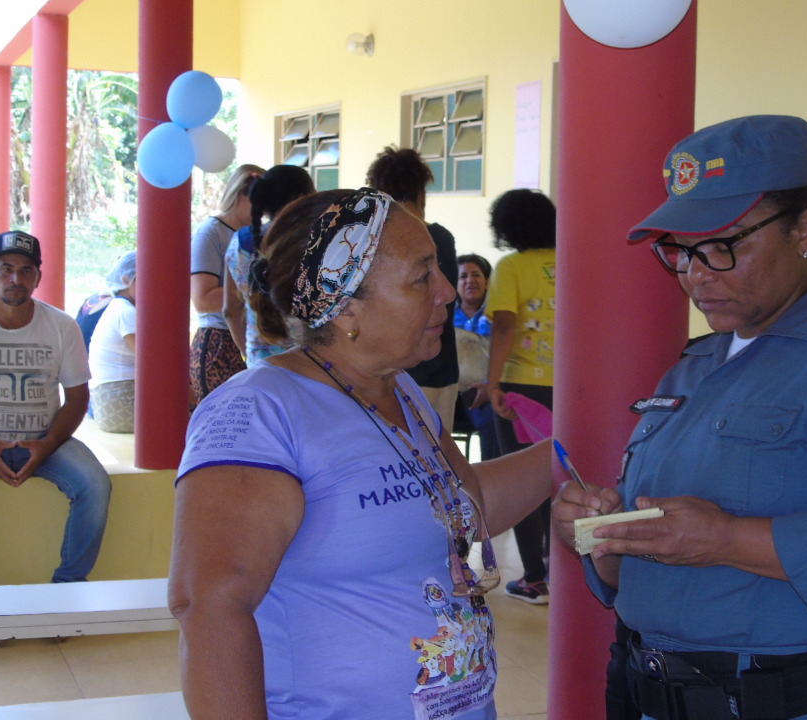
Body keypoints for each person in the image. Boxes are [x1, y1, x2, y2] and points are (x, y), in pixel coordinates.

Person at [551, 115, 807, 720]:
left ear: (803, 230)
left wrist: (726, 539)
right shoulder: (693, 368)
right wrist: (602, 537)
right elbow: (647, 573)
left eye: (724, 246)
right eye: (682, 251)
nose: (696, 274)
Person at [168, 188, 556, 720]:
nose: (446, 290)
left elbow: (468, 502)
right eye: (422, 276)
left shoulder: (401, 391)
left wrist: (571, 449)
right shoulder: (260, 411)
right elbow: (210, 606)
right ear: (345, 302)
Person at [0, 231, 112, 586]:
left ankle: (67, 587)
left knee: (95, 484)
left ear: (38, 277)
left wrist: (47, 445)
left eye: (26, 270)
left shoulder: (62, 326)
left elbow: (78, 397)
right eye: (5, 269)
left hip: (45, 439)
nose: (15, 279)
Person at [485, 189, 557, 605]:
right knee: (558, 474)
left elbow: (505, 327)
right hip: (567, 386)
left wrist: (493, 384)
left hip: (521, 387)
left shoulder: (511, 267)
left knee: (524, 480)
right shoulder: (572, 261)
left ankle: (534, 579)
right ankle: (558, 566)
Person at [366, 146, 460, 434]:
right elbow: (446, 303)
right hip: (436, 366)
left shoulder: (369, 241)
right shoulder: (439, 237)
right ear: (422, 193)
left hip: (383, 366)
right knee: (438, 454)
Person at [223, 165, 315, 365]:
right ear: (301, 199)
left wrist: (247, 353)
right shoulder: (313, 241)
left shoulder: (238, 243)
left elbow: (230, 311)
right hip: (310, 361)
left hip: (259, 359)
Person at [190, 163, 264, 408]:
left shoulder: (258, 234)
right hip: (220, 342)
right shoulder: (211, 232)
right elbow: (203, 299)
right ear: (241, 194)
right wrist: (259, 291)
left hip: (254, 338)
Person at [88, 251, 139, 433]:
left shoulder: (118, 307)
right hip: (121, 401)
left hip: (105, 405)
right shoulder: (126, 312)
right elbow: (151, 363)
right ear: (126, 280)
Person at [453, 253, 497, 461]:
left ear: (487, 282)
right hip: (448, 393)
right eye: (463, 276)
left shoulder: (499, 318)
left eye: (476, 275)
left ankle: (492, 474)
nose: (470, 280)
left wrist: (490, 387)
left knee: (495, 416)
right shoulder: (442, 317)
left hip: (483, 393)